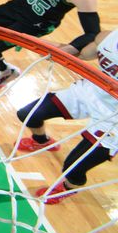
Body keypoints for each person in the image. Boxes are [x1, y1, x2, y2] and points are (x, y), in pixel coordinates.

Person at [15, 29, 118, 204]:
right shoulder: (108, 36)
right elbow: (83, 54)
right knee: (28, 114)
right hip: (89, 92)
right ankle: (41, 140)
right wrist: (27, 39)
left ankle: (67, 188)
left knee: (73, 168)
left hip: (113, 118)